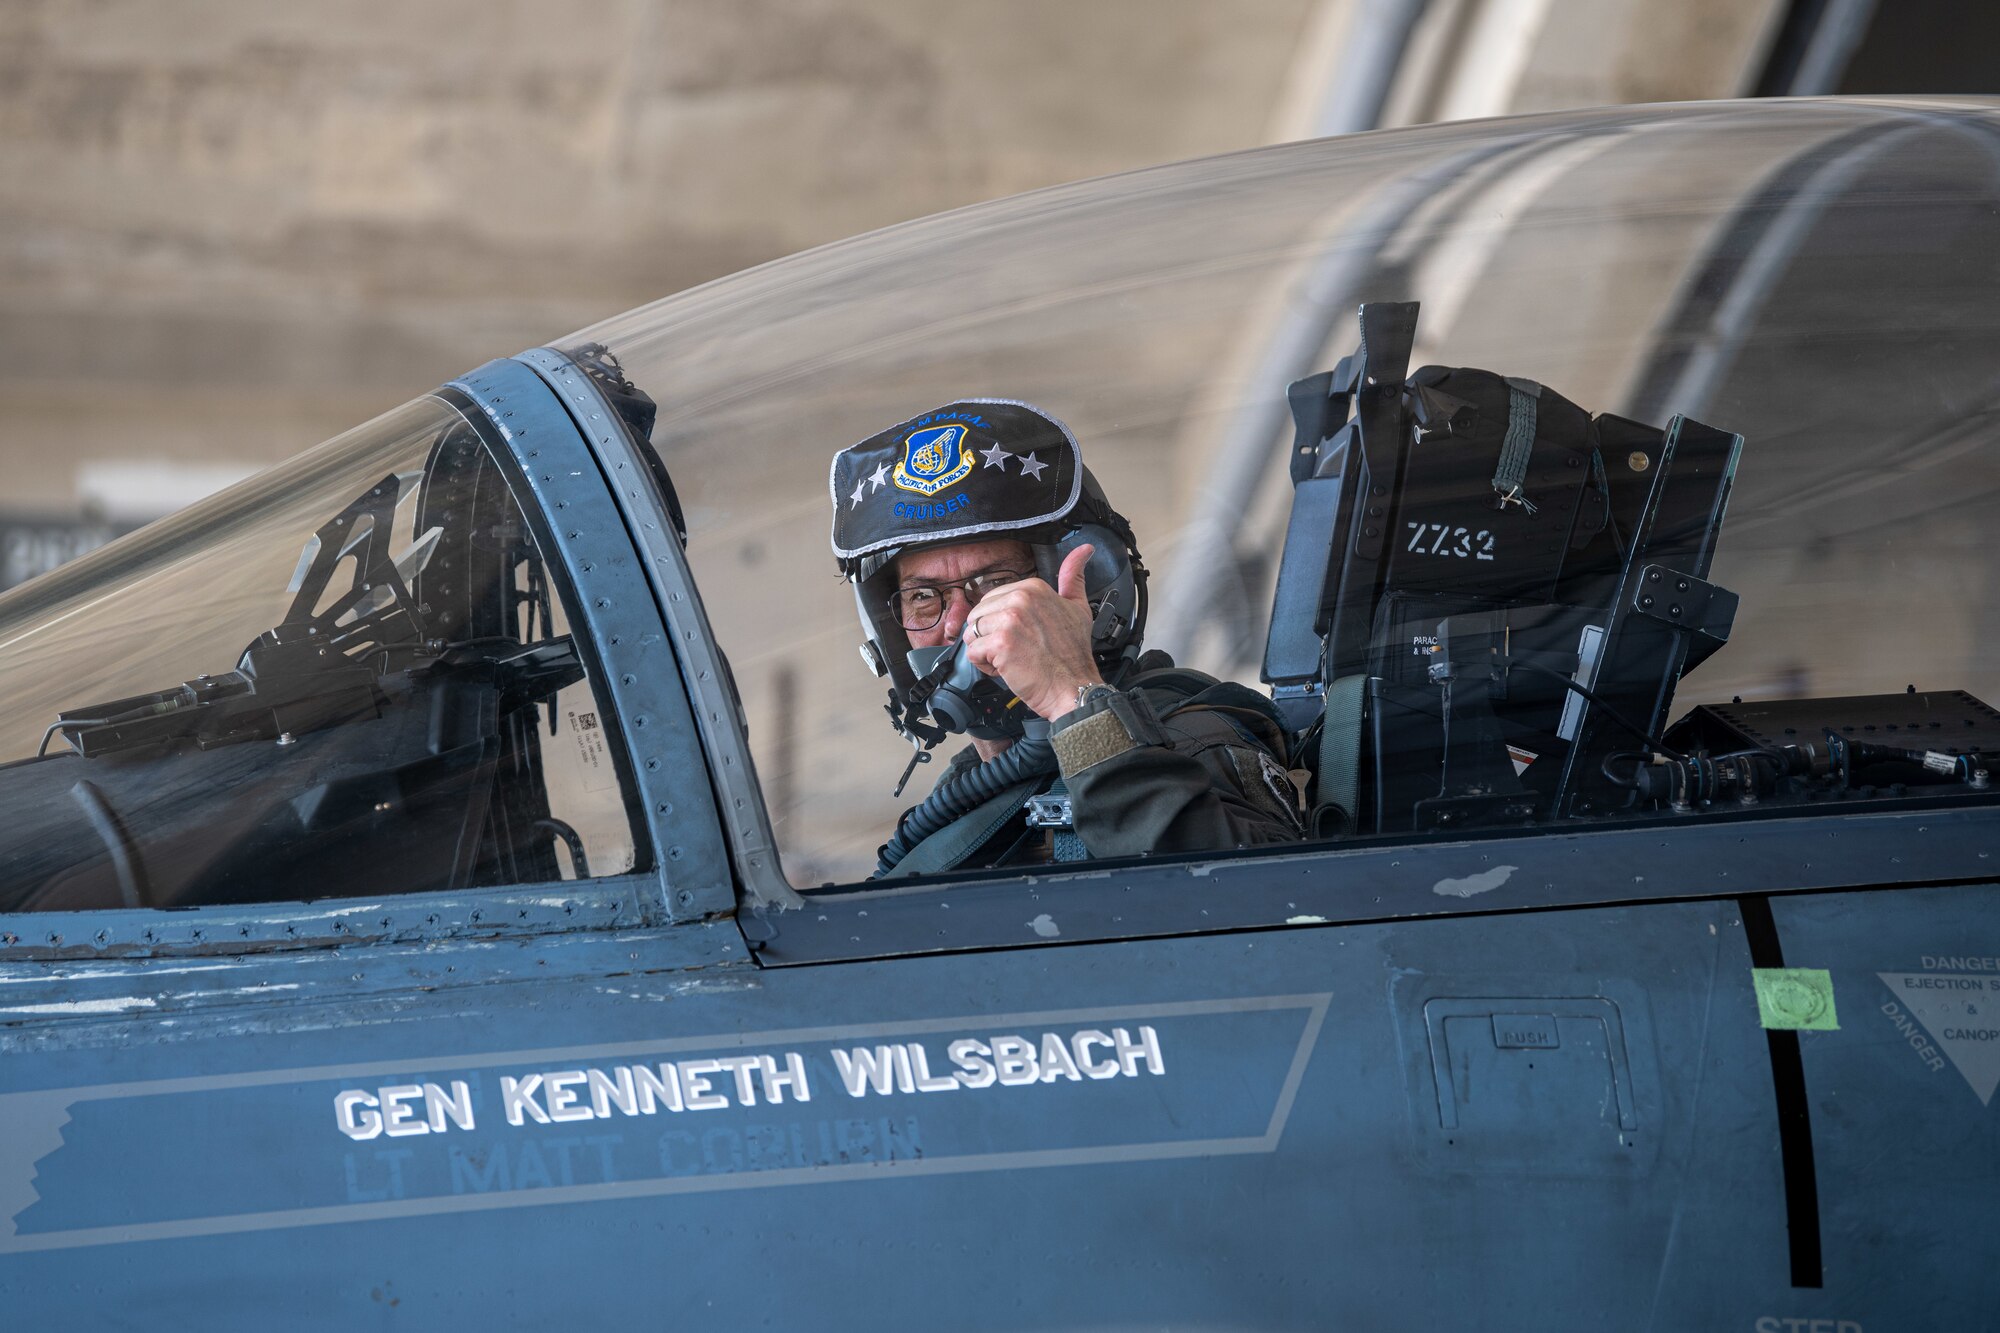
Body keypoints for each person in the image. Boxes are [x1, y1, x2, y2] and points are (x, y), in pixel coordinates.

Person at [829, 398, 1303, 879]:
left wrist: (1070, 700)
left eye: (994, 585)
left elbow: (1260, 903)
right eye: (924, 596)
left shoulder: (1194, 740)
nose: (957, 623)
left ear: (1088, 595)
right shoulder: (963, 797)